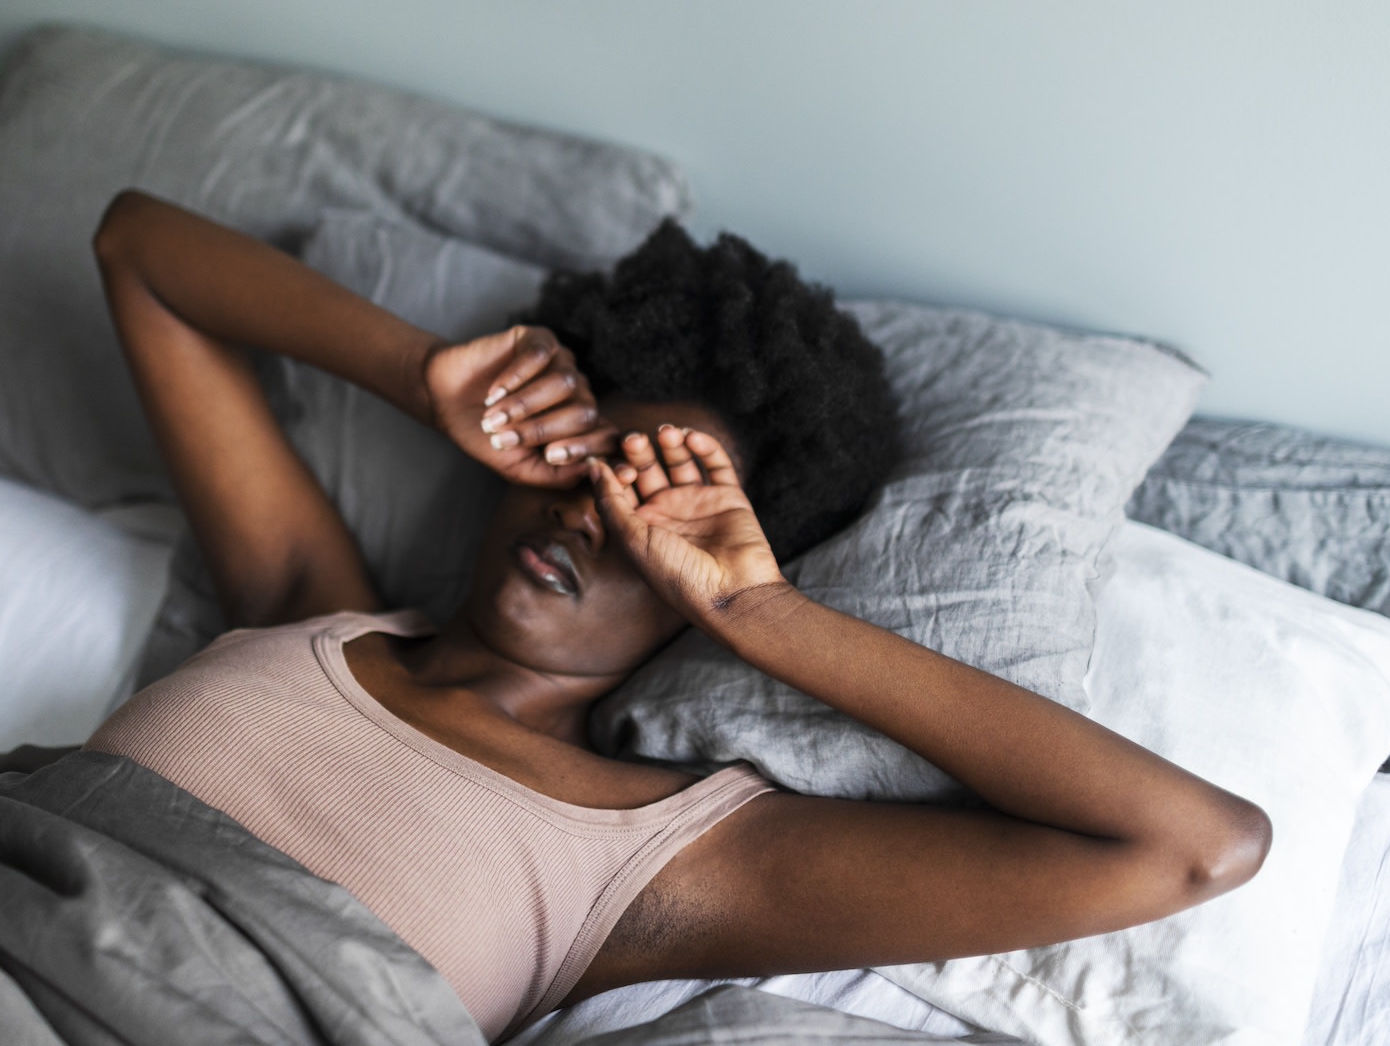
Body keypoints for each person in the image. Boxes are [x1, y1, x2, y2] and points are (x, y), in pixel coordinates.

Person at [84, 192, 1271, 1042]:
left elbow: (1194, 846)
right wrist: (426, 376)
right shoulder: (309, 615)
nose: (595, 519)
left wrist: (764, 612)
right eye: (588, 465)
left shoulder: (656, 867)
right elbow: (140, 248)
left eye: (655, 510)